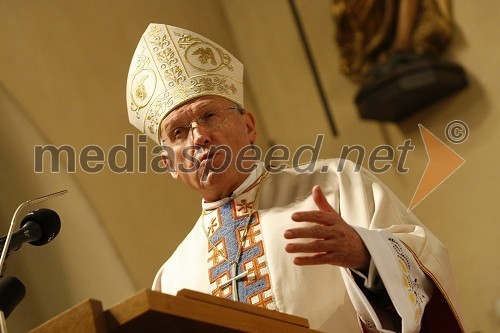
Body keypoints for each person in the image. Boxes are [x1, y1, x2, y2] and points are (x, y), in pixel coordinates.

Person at [126, 23, 463, 332]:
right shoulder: (171, 280)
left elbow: (426, 275)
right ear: (169, 163)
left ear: (249, 127)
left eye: (210, 115)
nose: (199, 137)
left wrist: (365, 255)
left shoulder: (338, 184)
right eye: (179, 132)